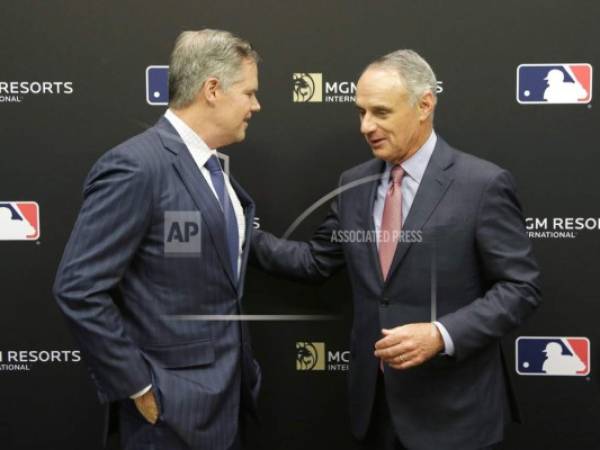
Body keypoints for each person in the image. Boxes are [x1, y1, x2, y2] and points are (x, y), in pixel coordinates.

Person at [251, 49, 541, 450]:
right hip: (375, 412)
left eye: (381, 112)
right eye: (360, 112)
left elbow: (520, 288)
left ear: (425, 105)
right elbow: (316, 261)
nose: (366, 126)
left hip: (455, 414)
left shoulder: (482, 184)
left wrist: (441, 335)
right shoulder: (353, 184)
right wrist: (241, 233)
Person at [54, 29, 261, 450]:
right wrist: (140, 388)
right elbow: (78, 288)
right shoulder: (136, 167)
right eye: (250, 93)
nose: (256, 106)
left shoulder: (212, 168)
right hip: (170, 415)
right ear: (213, 90)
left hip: (229, 403)